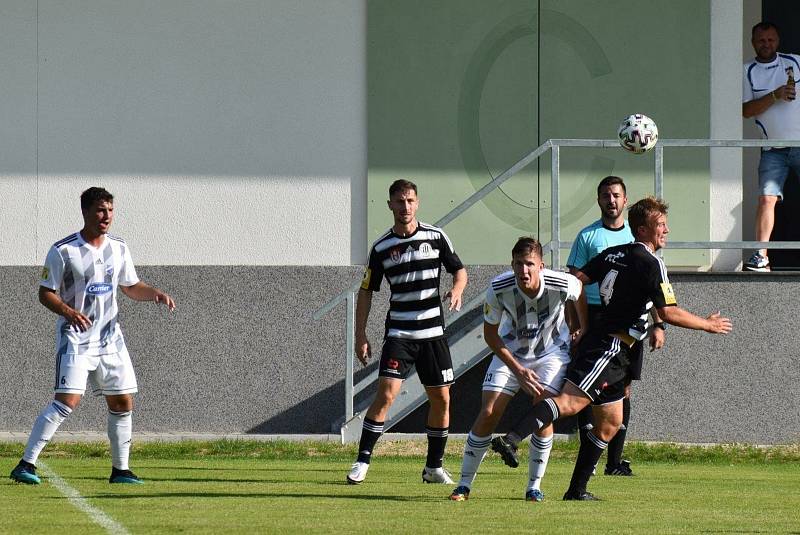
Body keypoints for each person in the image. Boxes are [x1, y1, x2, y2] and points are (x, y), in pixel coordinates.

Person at [519, 197, 732, 501]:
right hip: (609, 344)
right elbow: (669, 310)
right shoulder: (651, 263)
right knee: (570, 403)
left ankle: (576, 491)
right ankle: (512, 438)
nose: (667, 230)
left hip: (618, 348)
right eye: (661, 225)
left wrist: (577, 317)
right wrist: (707, 325)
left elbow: (575, 281)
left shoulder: (612, 253)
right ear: (644, 229)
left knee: (610, 424)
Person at [489, 176, 665, 476]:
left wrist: (658, 325)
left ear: (625, 200)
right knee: (577, 395)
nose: (611, 200)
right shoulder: (590, 237)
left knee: (619, 395)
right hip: (600, 321)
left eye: (617, 195)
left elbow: (654, 296)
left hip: (631, 328)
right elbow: (574, 283)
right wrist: (573, 321)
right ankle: (520, 441)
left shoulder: (636, 244)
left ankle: (607, 466)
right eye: (606, 195)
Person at [9, 187, 175, 485]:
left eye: (110, 210)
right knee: (66, 401)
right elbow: (45, 293)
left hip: (111, 341)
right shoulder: (64, 250)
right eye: (100, 210)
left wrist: (154, 294)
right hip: (76, 340)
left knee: (123, 402)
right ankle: (25, 464)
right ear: (85, 211)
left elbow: (131, 286)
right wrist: (68, 312)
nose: (106, 216)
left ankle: (120, 471)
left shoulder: (119, 247)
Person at [346, 179, 467, 485]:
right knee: (386, 394)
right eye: (399, 202)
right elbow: (366, 291)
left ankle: (433, 468)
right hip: (400, 333)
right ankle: (362, 461)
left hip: (433, 334)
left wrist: (457, 289)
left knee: (441, 399)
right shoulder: (382, 247)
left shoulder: (436, 237)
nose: (405, 207)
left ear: (418, 202)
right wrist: (360, 334)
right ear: (390, 205)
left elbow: (459, 270)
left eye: (410, 201)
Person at [449, 237, 587, 502]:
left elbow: (579, 290)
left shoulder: (560, 282)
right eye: (518, 264)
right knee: (489, 411)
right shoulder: (498, 288)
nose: (524, 271)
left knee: (543, 408)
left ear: (541, 266)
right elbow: (490, 336)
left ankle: (533, 487)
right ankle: (464, 485)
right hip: (510, 355)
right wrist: (518, 370)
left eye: (530, 265)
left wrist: (580, 326)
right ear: (511, 265)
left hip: (551, 354)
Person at [742, 21, 800, 272]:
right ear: (753, 42)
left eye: (771, 40)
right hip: (772, 149)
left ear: (778, 40)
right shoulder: (747, 71)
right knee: (766, 198)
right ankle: (760, 256)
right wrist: (775, 95)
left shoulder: (795, 61)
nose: (767, 44)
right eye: (761, 40)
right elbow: (746, 111)